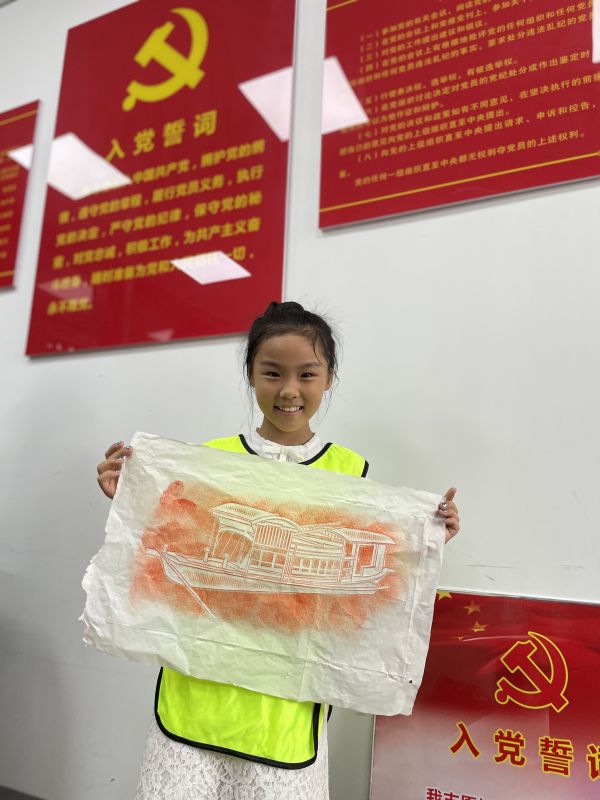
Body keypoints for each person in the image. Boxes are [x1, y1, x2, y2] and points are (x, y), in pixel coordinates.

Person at [96, 301, 460, 800]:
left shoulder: (351, 473)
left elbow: (377, 583)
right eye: (272, 373)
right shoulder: (211, 459)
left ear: (329, 378)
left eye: (307, 374)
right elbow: (170, 538)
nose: (289, 390)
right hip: (196, 693)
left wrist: (427, 538)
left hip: (287, 708)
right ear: (251, 375)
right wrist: (130, 498)